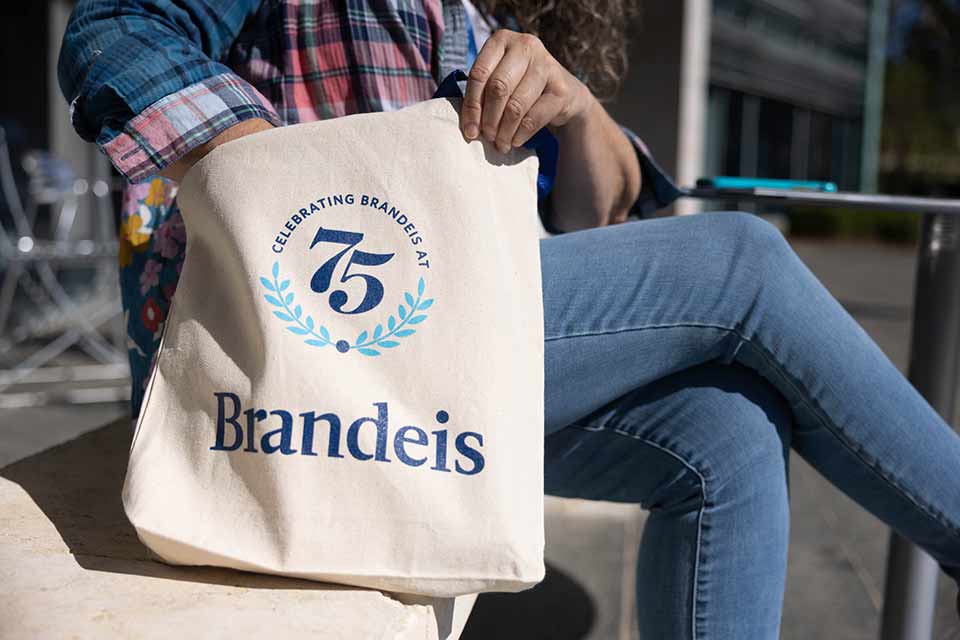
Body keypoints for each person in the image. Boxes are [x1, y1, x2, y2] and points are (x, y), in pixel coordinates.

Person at [59, 1, 960, 637]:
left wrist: (575, 108)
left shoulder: (464, 20)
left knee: (724, 431)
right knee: (742, 261)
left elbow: (602, 215)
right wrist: (301, 187)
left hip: (425, 375)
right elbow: (114, 32)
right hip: (288, 349)